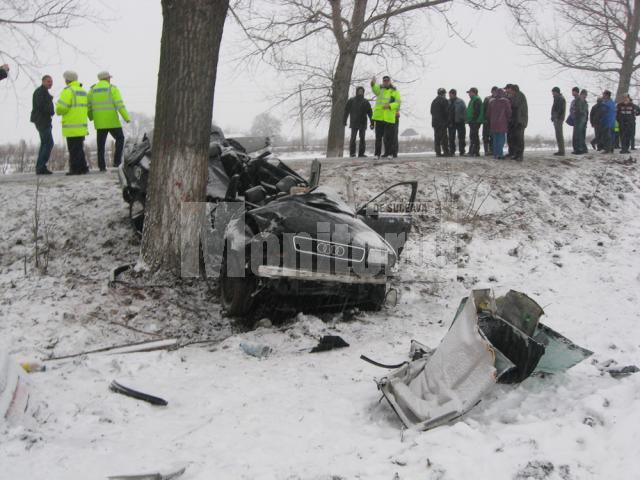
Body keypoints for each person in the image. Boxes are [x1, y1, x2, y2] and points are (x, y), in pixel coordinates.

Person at [88, 71, 130, 171]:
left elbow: (88, 106)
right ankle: (117, 162)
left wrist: (91, 117)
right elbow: (119, 104)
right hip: (112, 121)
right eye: (109, 78)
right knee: (120, 138)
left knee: (100, 145)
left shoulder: (92, 90)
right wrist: (126, 117)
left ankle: (102, 166)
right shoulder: (112, 88)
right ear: (107, 78)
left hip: (100, 123)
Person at [56, 70, 89, 175]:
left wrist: (58, 110)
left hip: (71, 125)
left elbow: (61, 108)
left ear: (67, 80)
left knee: (73, 149)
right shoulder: (83, 91)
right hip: (81, 125)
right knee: (79, 148)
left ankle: (75, 169)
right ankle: (83, 168)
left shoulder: (68, 91)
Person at [371, 75, 400, 158]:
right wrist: (372, 84)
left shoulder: (395, 91)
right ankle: (377, 154)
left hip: (389, 117)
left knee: (389, 137)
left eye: (387, 80)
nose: (386, 82)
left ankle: (390, 153)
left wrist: (389, 105)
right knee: (378, 137)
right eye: (384, 81)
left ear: (390, 81)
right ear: (383, 82)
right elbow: (374, 89)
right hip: (379, 117)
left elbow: (398, 103)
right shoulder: (380, 89)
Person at [30, 75, 55, 174]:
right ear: (43, 81)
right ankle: (40, 166)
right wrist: (51, 110)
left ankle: (40, 166)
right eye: (48, 81)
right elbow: (42, 106)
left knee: (45, 143)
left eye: (51, 81)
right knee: (49, 143)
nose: (50, 83)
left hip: (44, 121)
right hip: (42, 121)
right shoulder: (40, 92)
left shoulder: (44, 92)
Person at [344, 86, 373, 158]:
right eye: (359, 91)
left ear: (363, 92)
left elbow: (370, 113)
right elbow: (346, 111)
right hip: (354, 122)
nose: (360, 92)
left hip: (363, 123)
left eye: (362, 91)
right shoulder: (351, 100)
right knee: (353, 138)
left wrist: (372, 123)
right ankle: (352, 153)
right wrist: (344, 120)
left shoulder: (366, 102)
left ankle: (361, 153)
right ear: (357, 91)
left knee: (362, 138)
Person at [487, 88, 511, 159]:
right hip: (502, 123)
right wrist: (508, 119)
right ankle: (500, 154)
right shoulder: (505, 101)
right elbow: (509, 112)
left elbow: (488, 113)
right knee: (501, 139)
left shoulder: (491, 101)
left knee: (495, 139)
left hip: (493, 123)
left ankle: (495, 154)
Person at [506, 84, 528, 160]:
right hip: (516, 120)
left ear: (514, 90)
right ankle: (515, 154)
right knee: (515, 137)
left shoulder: (519, 95)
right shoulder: (515, 95)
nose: (510, 92)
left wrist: (509, 98)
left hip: (521, 120)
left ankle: (520, 155)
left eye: (511, 90)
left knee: (519, 138)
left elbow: (515, 105)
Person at [430, 88, 450, 157]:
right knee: (444, 138)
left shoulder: (434, 101)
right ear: (444, 94)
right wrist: (448, 121)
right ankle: (446, 152)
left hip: (435, 123)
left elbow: (431, 112)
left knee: (437, 138)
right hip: (442, 123)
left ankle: (438, 152)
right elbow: (447, 112)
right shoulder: (444, 101)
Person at [465, 87, 484, 156]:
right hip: (472, 121)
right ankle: (472, 151)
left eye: (470, 92)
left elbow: (477, 111)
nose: (469, 94)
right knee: (472, 136)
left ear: (473, 92)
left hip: (475, 121)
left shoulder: (477, 100)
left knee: (474, 136)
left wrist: (473, 119)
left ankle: (475, 151)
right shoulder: (473, 100)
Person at [447, 89, 466, 156]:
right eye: (449, 94)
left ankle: (462, 151)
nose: (449, 96)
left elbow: (464, 111)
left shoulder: (460, 102)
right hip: (451, 122)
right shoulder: (448, 102)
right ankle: (452, 151)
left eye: (450, 94)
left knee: (461, 137)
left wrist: (462, 118)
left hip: (460, 122)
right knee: (451, 138)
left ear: (454, 94)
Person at [569, 87, 588, 154]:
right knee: (580, 135)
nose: (585, 96)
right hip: (581, 119)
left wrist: (575, 116)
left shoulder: (579, 100)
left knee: (578, 135)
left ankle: (579, 149)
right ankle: (581, 149)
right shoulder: (583, 101)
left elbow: (579, 110)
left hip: (579, 119)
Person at [550, 87, 566, 156]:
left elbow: (559, 109)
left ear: (556, 92)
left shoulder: (560, 99)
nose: (552, 94)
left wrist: (555, 117)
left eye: (553, 92)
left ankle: (561, 151)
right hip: (556, 118)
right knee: (558, 135)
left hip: (558, 119)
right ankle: (560, 150)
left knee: (559, 135)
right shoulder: (557, 98)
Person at [482, 87, 497, 156]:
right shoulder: (487, 99)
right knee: (485, 136)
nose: (495, 93)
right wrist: (484, 119)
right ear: (491, 92)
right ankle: (486, 150)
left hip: (494, 121)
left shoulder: (499, 100)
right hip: (487, 120)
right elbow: (483, 109)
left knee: (493, 136)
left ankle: (492, 150)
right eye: (494, 91)